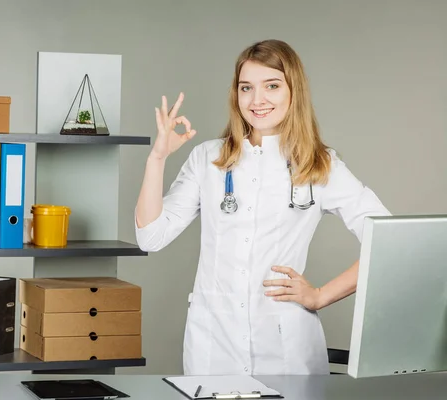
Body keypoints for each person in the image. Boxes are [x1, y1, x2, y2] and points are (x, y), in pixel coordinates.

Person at [134, 39, 391, 376]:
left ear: (293, 91)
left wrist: (319, 296)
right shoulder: (207, 158)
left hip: (287, 347)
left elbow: (387, 241)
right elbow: (150, 237)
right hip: (214, 343)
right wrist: (158, 158)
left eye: (272, 85)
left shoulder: (319, 165)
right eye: (246, 88)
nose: (257, 100)